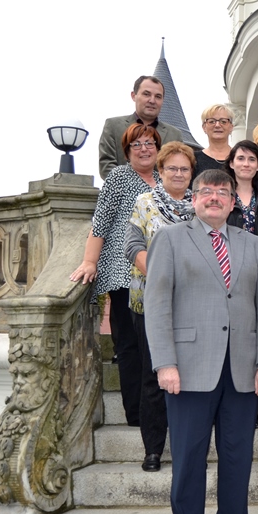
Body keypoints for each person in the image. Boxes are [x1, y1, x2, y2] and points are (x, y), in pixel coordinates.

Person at [144, 169, 258, 514]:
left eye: (223, 191)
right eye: (208, 191)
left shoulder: (252, 244)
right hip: (188, 370)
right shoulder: (169, 238)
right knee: (188, 459)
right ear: (194, 197)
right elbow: (157, 304)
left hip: (240, 371)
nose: (216, 197)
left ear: (233, 201)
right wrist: (165, 363)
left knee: (238, 459)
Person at [71, 123, 162, 427]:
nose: (145, 148)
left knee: (157, 342)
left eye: (150, 143)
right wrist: (88, 261)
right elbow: (101, 222)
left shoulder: (167, 178)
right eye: (137, 145)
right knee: (128, 345)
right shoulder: (119, 177)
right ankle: (136, 414)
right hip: (123, 273)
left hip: (161, 273)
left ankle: (158, 408)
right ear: (126, 151)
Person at [123, 141, 195, 472]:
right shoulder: (145, 202)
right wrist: (162, 278)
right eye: (172, 168)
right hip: (150, 301)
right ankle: (153, 449)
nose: (178, 174)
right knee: (153, 377)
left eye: (184, 169)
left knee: (189, 379)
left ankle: (185, 448)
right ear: (160, 171)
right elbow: (133, 244)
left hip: (194, 307)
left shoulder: (201, 205)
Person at [98, 75, 182, 179]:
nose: (152, 100)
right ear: (134, 96)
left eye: (158, 96)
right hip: (122, 193)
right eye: (146, 94)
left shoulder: (174, 135)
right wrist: (134, 189)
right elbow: (106, 166)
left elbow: (177, 170)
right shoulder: (113, 126)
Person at [194, 104, 234, 175]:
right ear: (204, 127)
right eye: (212, 121)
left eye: (223, 121)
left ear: (231, 127)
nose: (217, 125)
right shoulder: (194, 159)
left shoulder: (240, 157)